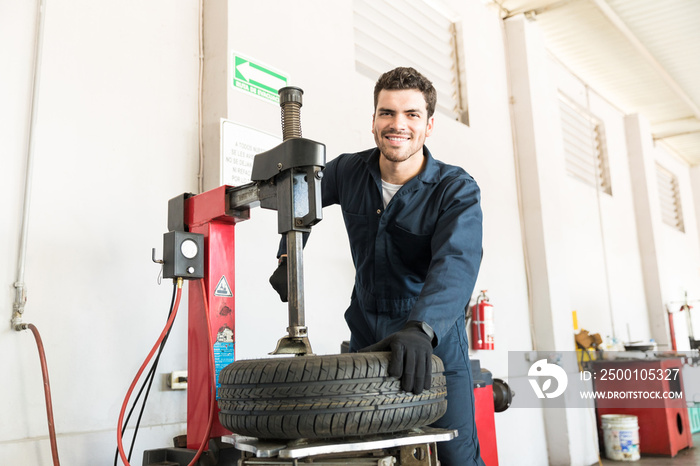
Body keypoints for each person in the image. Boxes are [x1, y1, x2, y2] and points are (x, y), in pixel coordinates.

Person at [270, 66, 484, 466]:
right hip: (367, 327)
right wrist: (287, 255)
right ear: (373, 120)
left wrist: (422, 329)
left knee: (454, 452)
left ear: (429, 125)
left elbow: (457, 262)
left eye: (411, 115)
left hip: (431, 339)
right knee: (372, 448)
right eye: (387, 113)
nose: (397, 124)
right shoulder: (349, 171)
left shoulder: (455, 189)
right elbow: (301, 199)